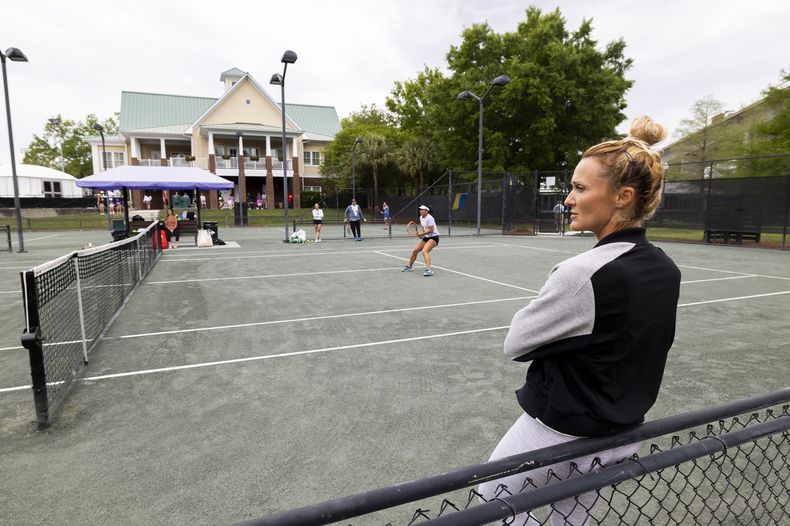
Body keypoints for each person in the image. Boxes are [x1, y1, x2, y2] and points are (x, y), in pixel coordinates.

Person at [478, 116, 681, 525]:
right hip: (621, 435)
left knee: (492, 502)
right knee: (572, 517)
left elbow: (516, 342)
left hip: (559, 431)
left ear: (623, 197)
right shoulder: (666, 268)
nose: (569, 198)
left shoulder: (583, 272)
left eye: (580, 188)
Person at [401, 205, 439, 277]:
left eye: (422, 210)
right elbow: (423, 229)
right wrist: (420, 235)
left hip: (434, 237)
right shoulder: (421, 217)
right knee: (415, 251)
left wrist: (422, 233)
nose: (420, 211)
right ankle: (409, 267)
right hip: (427, 237)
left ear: (427, 211)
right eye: (420, 209)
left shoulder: (430, 218)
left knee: (424, 251)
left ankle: (428, 270)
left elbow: (431, 230)